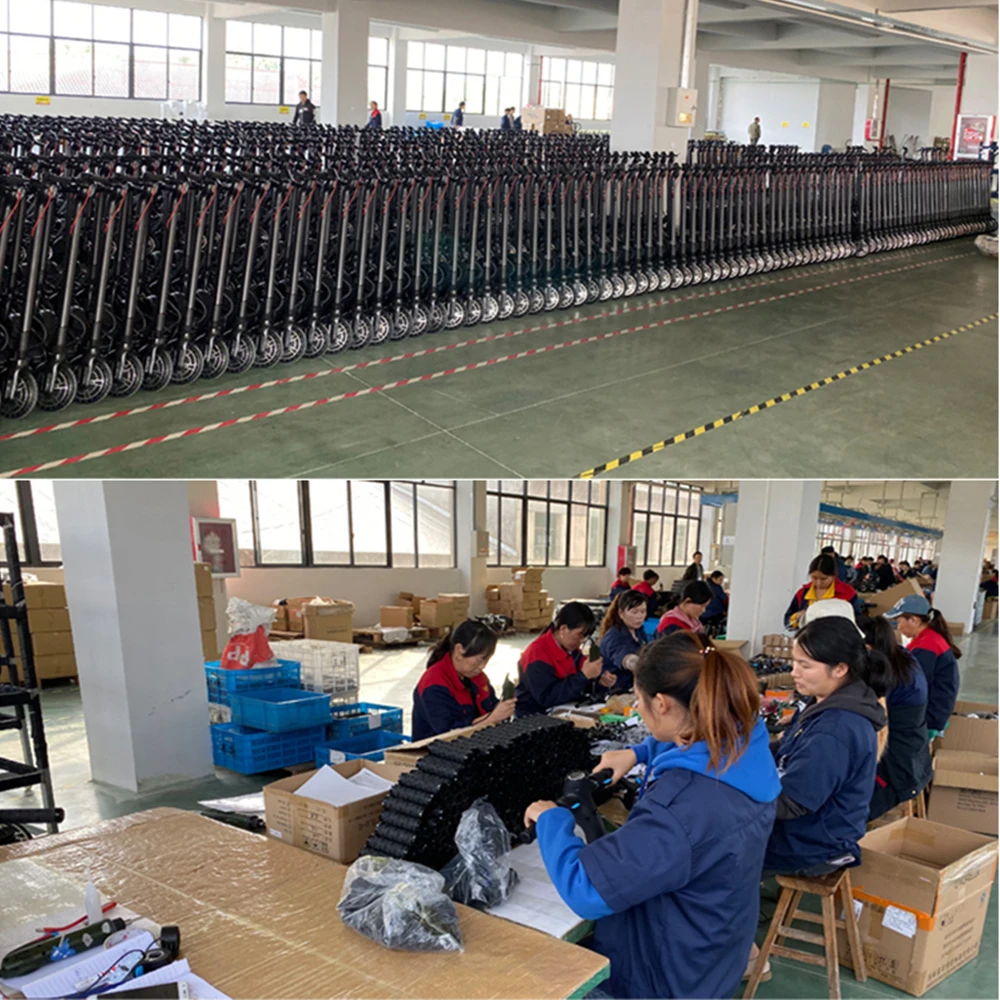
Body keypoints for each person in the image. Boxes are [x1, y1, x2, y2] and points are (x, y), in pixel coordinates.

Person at [524, 632, 780, 1000]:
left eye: (640, 702)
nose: (639, 710)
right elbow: (696, 735)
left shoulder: (682, 809)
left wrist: (552, 821)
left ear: (661, 704)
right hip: (714, 951)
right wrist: (640, 753)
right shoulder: (748, 740)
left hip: (667, 979)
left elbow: (587, 890)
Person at [763, 616, 888, 877]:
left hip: (811, 844)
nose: (794, 672)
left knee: (713, 846)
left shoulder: (835, 730)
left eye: (804, 665)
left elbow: (792, 802)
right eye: (794, 662)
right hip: (811, 829)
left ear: (840, 669)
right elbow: (787, 748)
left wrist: (736, 791)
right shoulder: (824, 702)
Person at [861, 616, 932, 820]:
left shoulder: (886, 672)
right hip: (915, 754)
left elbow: (868, 718)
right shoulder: (902, 657)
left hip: (897, 766)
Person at [412, 620, 515, 740]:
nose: (483, 666)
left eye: (487, 660)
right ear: (459, 650)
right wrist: (491, 719)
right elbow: (449, 734)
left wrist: (504, 707)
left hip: (477, 741)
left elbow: (491, 706)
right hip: (436, 748)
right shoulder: (433, 685)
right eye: (480, 659)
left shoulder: (478, 677)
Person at [885, 595, 961, 738]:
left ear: (914, 620)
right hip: (936, 707)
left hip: (931, 715)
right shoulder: (928, 638)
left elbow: (910, 684)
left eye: (899, 621)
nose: (898, 628)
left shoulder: (927, 647)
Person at [515, 602, 609, 716]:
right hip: (535, 715)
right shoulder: (537, 655)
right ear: (563, 629)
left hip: (565, 709)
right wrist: (583, 676)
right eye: (580, 635)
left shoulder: (573, 651)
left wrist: (599, 681)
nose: (582, 641)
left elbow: (581, 686)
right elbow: (546, 698)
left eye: (585, 637)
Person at [784, 553, 864, 629]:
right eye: (814, 578)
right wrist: (796, 617)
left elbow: (857, 620)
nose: (818, 582)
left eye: (823, 579)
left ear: (833, 576)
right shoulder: (802, 593)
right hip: (807, 636)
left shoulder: (847, 592)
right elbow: (787, 621)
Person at [597, 590, 648, 693]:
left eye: (643, 611)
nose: (640, 616)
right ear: (621, 613)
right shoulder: (613, 636)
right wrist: (645, 667)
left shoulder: (639, 632)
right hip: (613, 692)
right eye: (634, 612)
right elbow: (626, 658)